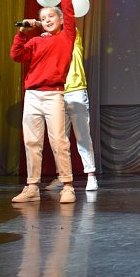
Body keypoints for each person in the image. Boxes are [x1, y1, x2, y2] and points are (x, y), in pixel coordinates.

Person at [10, 0, 76, 204]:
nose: (47, 19)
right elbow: (16, 55)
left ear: (60, 19)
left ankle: (67, 185)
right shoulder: (36, 42)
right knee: (32, 141)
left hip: (54, 95)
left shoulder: (67, 36)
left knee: (58, 140)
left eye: (51, 16)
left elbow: (68, 9)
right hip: (32, 95)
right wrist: (22, 33)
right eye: (43, 17)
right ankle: (32, 187)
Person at [45, 27, 99, 193]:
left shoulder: (71, 36)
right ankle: (62, 177)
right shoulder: (49, 42)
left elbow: (69, 28)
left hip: (75, 91)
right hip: (56, 92)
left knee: (82, 135)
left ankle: (91, 175)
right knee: (59, 139)